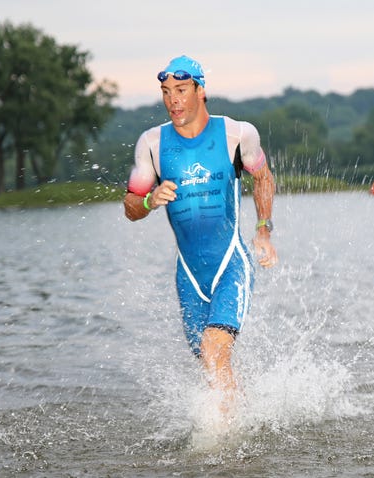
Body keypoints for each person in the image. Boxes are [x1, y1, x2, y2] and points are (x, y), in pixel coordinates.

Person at [123, 55, 277, 413]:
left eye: (180, 90)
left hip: (230, 265)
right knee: (212, 364)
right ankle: (243, 423)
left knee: (213, 349)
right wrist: (148, 200)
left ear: (200, 90)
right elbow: (130, 207)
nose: (173, 99)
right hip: (189, 276)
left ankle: (224, 447)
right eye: (165, 92)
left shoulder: (237, 133)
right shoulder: (151, 144)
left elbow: (263, 178)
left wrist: (263, 230)